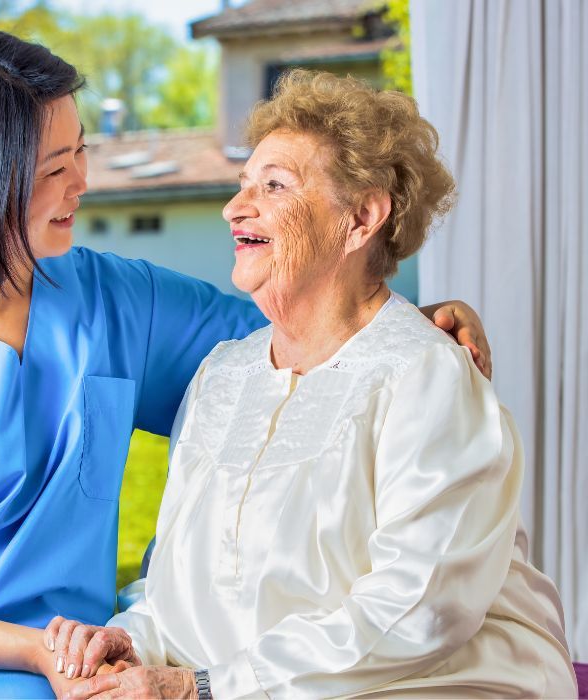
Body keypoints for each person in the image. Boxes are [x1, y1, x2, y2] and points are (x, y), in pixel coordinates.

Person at [0, 34, 492, 699]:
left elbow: (304, 327)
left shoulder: (116, 299)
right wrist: (37, 650)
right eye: (57, 166)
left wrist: (412, 326)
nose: (83, 180)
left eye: (80, 150)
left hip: (36, 651)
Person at [47, 70, 577, 699]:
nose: (234, 207)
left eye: (274, 186)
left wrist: (200, 689)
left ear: (361, 218)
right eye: (244, 184)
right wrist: (133, 637)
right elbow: (180, 581)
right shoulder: (224, 372)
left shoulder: (428, 375)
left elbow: (422, 609)